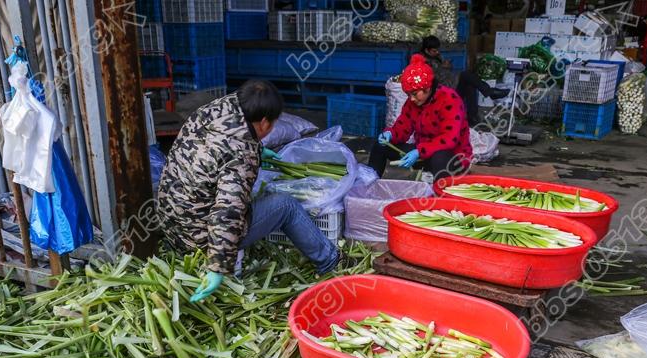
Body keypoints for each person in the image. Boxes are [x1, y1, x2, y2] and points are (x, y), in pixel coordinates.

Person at [157, 80, 340, 302]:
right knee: (287, 205)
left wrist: (258, 150)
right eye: (273, 123)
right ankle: (331, 260)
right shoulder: (241, 157)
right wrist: (217, 267)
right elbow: (227, 211)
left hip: (171, 223)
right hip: (197, 238)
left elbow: (223, 143)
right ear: (263, 122)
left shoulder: (214, 110)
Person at [368, 54, 473, 178]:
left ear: (427, 88)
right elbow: (402, 128)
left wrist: (419, 151)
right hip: (422, 152)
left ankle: (441, 189)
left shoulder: (450, 99)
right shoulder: (413, 103)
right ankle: (369, 180)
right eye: (408, 94)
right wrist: (390, 134)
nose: (411, 99)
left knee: (439, 158)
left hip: (452, 156)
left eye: (414, 94)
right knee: (380, 146)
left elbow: (449, 139)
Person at [418, 36, 509, 125]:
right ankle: (490, 92)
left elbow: (444, 72)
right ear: (426, 50)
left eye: (437, 50)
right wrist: (442, 67)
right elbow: (431, 79)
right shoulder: (421, 62)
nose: (437, 52)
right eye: (434, 51)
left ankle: (472, 117)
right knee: (465, 75)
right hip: (441, 91)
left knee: (470, 85)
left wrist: (447, 66)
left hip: (451, 85)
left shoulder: (436, 56)